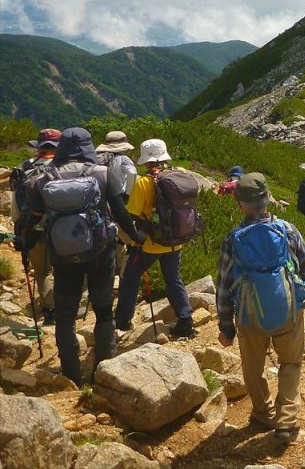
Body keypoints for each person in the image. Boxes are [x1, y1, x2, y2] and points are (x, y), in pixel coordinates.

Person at [21, 127, 145, 385]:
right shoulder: (103, 173)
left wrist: (26, 244)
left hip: (62, 256)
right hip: (100, 253)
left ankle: (71, 374)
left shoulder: (42, 179)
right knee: (103, 310)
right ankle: (104, 366)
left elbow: (32, 220)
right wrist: (136, 236)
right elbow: (120, 214)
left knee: (65, 314)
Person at [216, 172, 305, 443]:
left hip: (248, 314)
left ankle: (262, 413)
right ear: (268, 199)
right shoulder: (287, 230)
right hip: (288, 309)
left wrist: (226, 327)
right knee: (291, 363)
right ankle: (286, 421)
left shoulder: (232, 239)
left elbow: (224, 285)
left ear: (240, 204)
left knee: (252, 367)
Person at [114, 138, 195, 339]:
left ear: (146, 160)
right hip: (175, 241)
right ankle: (185, 320)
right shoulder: (178, 176)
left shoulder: (143, 182)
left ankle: (123, 321)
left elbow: (133, 213)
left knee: (131, 278)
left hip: (149, 244)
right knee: (173, 279)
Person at [11, 128, 61, 325]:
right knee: (63, 267)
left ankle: (50, 311)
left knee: (43, 271)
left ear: (38, 146)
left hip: (33, 228)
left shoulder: (25, 167)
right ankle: (67, 304)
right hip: (62, 228)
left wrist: (20, 227)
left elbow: (16, 203)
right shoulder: (63, 167)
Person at [95, 130, 138, 280]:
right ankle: (123, 273)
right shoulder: (124, 159)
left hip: (100, 202)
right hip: (118, 200)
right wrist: (128, 194)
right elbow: (132, 173)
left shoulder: (98, 159)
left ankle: (110, 268)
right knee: (127, 240)